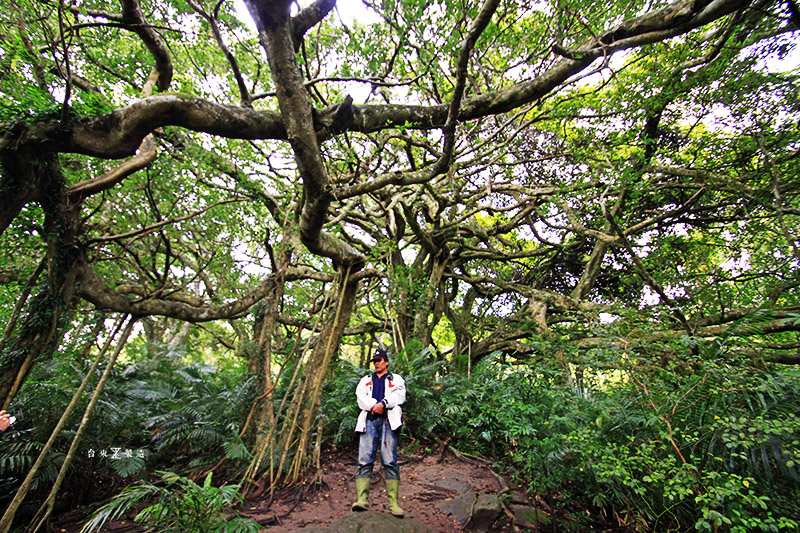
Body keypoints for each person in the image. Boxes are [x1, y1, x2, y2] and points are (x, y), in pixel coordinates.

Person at [351, 348, 406, 517]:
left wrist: (384, 403)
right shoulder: (365, 380)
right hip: (369, 419)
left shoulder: (396, 379)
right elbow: (360, 397)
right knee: (365, 458)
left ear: (386, 362)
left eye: (379, 360)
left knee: (390, 460)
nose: (376, 363)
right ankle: (362, 500)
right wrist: (375, 405)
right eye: (374, 361)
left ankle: (393, 503)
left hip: (389, 421)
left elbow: (400, 396)